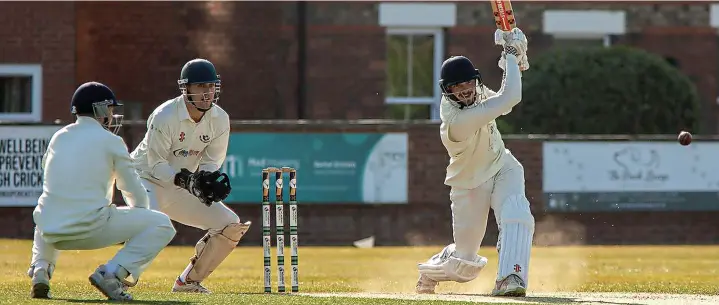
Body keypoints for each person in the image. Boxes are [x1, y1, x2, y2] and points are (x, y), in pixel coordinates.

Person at [28, 82, 176, 301]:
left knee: (47, 211)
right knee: (162, 224)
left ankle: (40, 271)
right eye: (109, 108)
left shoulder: (58, 137)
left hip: (51, 232)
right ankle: (111, 274)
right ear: (98, 109)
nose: (112, 114)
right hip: (91, 228)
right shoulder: (112, 141)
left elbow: (50, 178)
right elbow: (133, 190)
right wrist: (140, 219)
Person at [415, 27, 535, 297]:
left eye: (469, 82)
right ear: (448, 91)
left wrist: (513, 62)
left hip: (502, 165)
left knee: (516, 213)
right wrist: (512, 56)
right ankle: (429, 271)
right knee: (464, 264)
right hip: (470, 183)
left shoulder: (479, 95)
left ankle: (510, 277)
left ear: (475, 80)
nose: (465, 90)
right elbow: (510, 98)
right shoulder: (457, 122)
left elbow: (505, 96)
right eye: (457, 87)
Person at [129, 58, 251, 294]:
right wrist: (187, 180)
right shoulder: (165, 115)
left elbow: (211, 161)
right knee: (155, 226)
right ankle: (117, 274)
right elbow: (156, 165)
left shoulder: (220, 119)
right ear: (186, 89)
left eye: (211, 86)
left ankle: (188, 281)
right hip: (143, 178)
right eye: (200, 87)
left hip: (179, 186)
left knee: (230, 225)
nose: (207, 93)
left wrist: (205, 181)